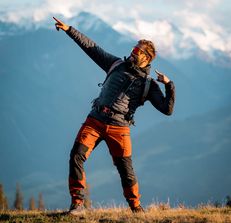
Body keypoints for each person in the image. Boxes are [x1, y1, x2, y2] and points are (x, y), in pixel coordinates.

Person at [53, 17, 175, 215]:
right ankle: (77, 205)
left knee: (126, 170)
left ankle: (136, 208)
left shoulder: (149, 85)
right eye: (134, 48)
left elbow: (166, 109)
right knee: (76, 155)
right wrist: (69, 30)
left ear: (146, 58)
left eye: (138, 50)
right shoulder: (116, 64)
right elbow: (92, 48)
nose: (133, 51)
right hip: (95, 120)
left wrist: (169, 85)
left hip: (119, 128)